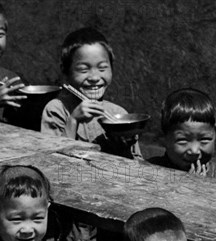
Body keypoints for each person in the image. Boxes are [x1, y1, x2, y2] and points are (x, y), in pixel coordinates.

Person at [41, 27, 142, 159]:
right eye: (83, 70)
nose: (94, 77)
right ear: (65, 72)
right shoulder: (57, 109)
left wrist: (124, 147)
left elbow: (137, 162)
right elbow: (50, 159)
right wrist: (73, 120)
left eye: (102, 68)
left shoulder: (119, 114)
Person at [148, 88, 216, 182]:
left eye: (204, 139)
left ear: (215, 135)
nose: (194, 151)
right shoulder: (148, 171)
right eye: (183, 140)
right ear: (164, 139)